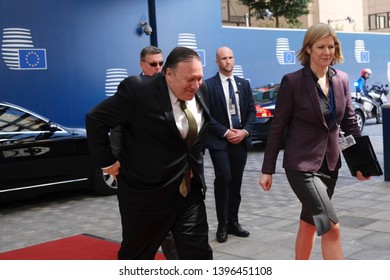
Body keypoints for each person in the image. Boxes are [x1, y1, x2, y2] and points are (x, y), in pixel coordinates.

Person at [86, 46, 213, 260]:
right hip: (146, 196)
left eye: (199, 78)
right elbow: (96, 118)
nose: (196, 85)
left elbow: (193, 140)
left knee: (198, 254)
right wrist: (107, 162)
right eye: (190, 79)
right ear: (169, 74)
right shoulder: (138, 90)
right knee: (137, 257)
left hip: (188, 192)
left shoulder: (201, 90)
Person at [259, 23, 370, 260]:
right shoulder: (293, 81)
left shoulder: (341, 79)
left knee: (309, 223)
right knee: (331, 228)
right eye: (321, 46)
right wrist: (267, 169)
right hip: (301, 166)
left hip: (330, 165)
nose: (327, 51)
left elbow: (350, 123)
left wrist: (362, 163)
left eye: (331, 46)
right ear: (308, 48)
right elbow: (277, 127)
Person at [109, 46, 178, 260]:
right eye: (153, 64)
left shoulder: (170, 88)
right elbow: (116, 128)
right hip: (136, 174)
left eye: (161, 63)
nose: (158, 68)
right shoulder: (131, 88)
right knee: (135, 229)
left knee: (170, 230)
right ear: (141, 64)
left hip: (167, 173)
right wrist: (116, 163)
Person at [205, 46, 256, 243]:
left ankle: (233, 222)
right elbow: (206, 115)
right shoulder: (208, 85)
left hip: (240, 141)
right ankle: (222, 225)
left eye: (230, 57)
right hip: (219, 142)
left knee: (236, 184)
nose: (227, 61)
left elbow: (252, 111)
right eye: (223, 58)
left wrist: (244, 132)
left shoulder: (243, 84)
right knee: (224, 179)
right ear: (217, 62)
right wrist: (226, 132)